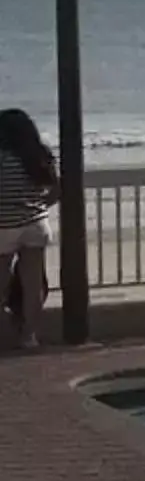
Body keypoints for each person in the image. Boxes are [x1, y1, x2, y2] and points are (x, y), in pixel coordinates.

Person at [0, 108, 58, 349]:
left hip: (3, 225)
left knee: (1, 283)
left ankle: (3, 333)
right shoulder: (38, 155)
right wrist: (37, 205)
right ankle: (29, 336)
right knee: (33, 284)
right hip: (36, 224)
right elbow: (56, 191)